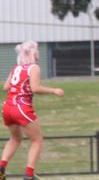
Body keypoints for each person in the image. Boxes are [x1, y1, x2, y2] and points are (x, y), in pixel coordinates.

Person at [0, 41, 64, 180]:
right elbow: (35, 88)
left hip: (8, 106)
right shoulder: (33, 67)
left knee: (15, 138)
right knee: (37, 140)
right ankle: (29, 175)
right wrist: (54, 90)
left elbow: (6, 86)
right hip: (22, 107)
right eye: (37, 50)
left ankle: (1, 168)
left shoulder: (16, 67)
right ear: (33, 53)